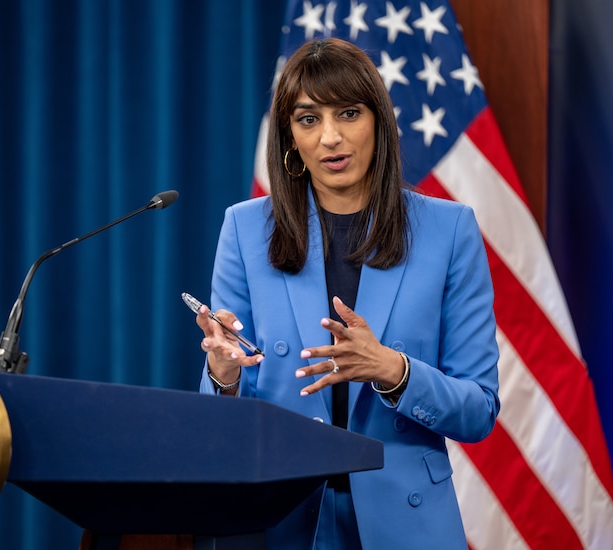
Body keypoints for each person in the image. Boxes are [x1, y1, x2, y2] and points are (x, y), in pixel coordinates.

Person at [193, 38, 500, 549]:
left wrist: (393, 371)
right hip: (278, 518)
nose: (331, 137)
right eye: (308, 119)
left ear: (378, 121)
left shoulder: (449, 231)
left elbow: (478, 410)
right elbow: (224, 422)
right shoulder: (245, 230)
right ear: (290, 136)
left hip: (406, 523)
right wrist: (222, 376)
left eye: (349, 113)